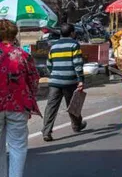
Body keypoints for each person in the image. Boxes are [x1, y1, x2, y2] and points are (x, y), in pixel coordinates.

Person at [0, 20, 40, 177]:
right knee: (17, 146)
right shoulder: (23, 55)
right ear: (14, 34)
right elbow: (34, 80)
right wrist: (29, 99)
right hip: (18, 105)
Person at [42, 22, 87, 142]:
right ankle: (77, 125)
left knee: (51, 107)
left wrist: (54, 74)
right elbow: (77, 64)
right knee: (72, 104)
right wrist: (80, 80)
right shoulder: (74, 44)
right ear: (72, 33)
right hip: (69, 81)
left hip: (55, 81)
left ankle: (46, 132)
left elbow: (49, 64)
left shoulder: (53, 46)